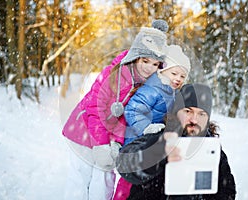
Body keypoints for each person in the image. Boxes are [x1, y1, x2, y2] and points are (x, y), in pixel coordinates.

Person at [62, 19, 169, 200]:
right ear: (136, 56)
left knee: (104, 181)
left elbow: (128, 118)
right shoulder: (114, 74)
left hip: (111, 141)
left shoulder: (149, 86)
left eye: (155, 64)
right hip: (83, 131)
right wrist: (101, 143)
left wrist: (115, 141)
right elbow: (96, 108)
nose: (149, 68)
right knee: (80, 179)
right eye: (145, 60)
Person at [116, 83, 236, 200]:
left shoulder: (211, 150)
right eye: (188, 111)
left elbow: (227, 192)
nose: (194, 119)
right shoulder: (158, 138)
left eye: (201, 114)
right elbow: (124, 163)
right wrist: (156, 153)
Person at [123, 44, 191, 146]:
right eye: (174, 73)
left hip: (155, 138)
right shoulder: (152, 88)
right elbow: (132, 110)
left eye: (182, 76)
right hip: (136, 138)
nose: (178, 78)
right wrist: (146, 127)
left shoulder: (173, 92)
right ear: (163, 71)